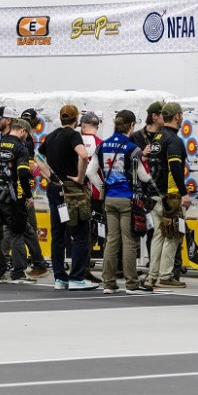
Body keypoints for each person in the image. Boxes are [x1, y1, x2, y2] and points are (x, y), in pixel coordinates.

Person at [87, 109, 153, 294]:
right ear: (132, 125)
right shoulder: (132, 148)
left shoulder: (103, 145)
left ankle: (108, 283)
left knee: (111, 240)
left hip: (109, 198)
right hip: (127, 199)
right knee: (129, 241)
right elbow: (144, 176)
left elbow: (90, 171)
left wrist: (102, 186)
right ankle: (132, 284)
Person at [37, 104, 99, 290]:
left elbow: (38, 157)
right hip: (71, 191)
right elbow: (83, 155)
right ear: (76, 119)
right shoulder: (73, 135)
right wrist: (80, 177)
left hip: (55, 188)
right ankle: (76, 277)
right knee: (80, 234)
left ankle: (60, 278)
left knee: (58, 234)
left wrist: (49, 175)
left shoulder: (51, 136)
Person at [144, 101, 191, 289]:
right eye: (181, 114)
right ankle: (165, 276)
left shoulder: (156, 138)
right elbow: (175, 167)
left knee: (158, 235)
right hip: (170, 196)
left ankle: (152, 276)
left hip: (153, 194)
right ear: (177, 116)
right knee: (172, 234)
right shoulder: (174, 140)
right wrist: (183, 194)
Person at [0, 118, 36, 283]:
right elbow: (22, 174)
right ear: (22, 131)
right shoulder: (20, 148)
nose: (26, 138)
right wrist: (28, 195)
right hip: (11, 199)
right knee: (16, 234)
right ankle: (18, 273)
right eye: (26, 135)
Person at [18, 108, 48, 277]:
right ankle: (33, 262)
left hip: (19, 188)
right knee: (27, 226)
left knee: (26, 226)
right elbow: (28, 168)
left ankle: (32, 262)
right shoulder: (28, 141)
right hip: (21, 190)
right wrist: (40, 170)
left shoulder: (15, 138)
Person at [79, 110, 104, 283]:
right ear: (97, 126)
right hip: (95, 195)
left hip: (75, 193)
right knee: (93, 233)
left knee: (78, 233)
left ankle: (80, 269)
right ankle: (85, 269)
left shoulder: (75, 142)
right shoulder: (101, 144)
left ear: (83, 125)